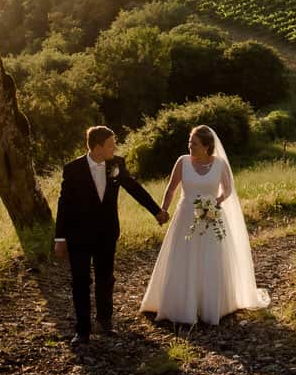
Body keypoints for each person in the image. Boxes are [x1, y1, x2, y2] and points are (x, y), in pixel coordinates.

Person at [140, 124, 270, 324]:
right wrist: (164, 209)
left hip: (211, 217)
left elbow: (228, 189)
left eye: (194, 143)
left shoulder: (219, 165)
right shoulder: (182, 162)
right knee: (182, 257)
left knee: (210, 258)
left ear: (207, 146)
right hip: (185, 217)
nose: (190, 146)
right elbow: (171, 189)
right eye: (189, 142)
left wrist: (214, 203)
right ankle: (180, 305)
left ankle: (209, 305)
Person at [54, 125, 168, 345]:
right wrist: (60, 238)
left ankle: (105, 320)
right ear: (97, 147)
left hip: (107, 233)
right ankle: (83, 330)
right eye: (111, 145)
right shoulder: (73, 169)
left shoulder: (116, 164)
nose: (114, 148)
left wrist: (156, 211)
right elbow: (64, 204)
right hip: (79, 236)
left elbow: (133, 187)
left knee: (105, 278)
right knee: (80, 281)